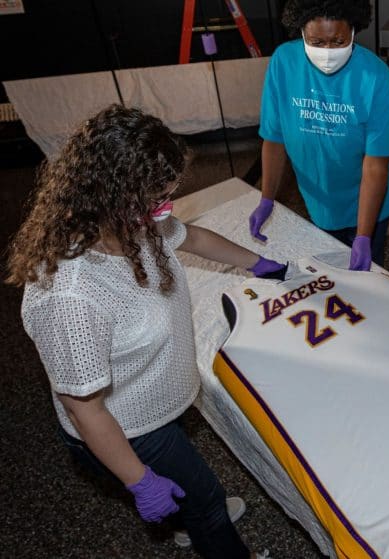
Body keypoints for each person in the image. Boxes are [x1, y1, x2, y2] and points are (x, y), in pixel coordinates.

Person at [6, 105, 278, 559]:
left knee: (190, 493)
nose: (164, 210)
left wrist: (257, 263)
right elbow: (84, 407)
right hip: (127, 427)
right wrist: (138, 479)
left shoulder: (131, 222)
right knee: (207, 498)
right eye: (156, 199)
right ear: (110, 193)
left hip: (150, 398)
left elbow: (190, 237)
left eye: (168, 195)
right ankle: (210, 529)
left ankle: (189, 522)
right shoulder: (71, 293)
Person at [251, 0, 389, 271]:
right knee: (331, 272)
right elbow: (274, 138)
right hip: (317, 197)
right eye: (317, 42)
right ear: (301, 32)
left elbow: (376, 164)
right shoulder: (283, 63)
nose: (327, 52)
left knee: (367, 278)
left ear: (353, 32)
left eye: (338, 41)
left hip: (365, 200)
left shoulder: (376, 78)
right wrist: (266, 198)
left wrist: (364, 235)